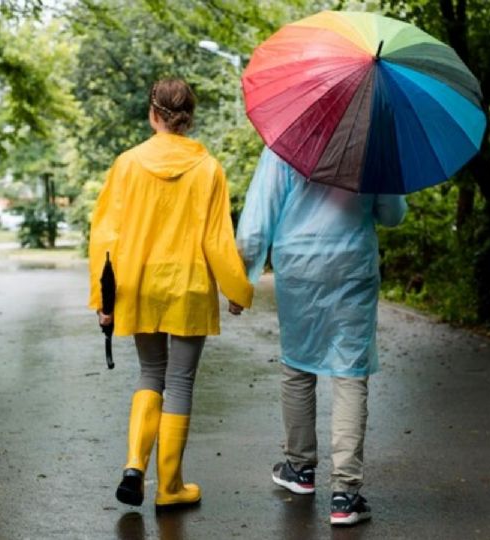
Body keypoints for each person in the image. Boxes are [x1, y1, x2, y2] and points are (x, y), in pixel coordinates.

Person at [88, 79, 254, 508]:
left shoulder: (127, 164)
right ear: (189, 118)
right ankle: (170, 488)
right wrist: (237, 290)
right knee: (179, 382)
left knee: (150, 375)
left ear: (152, 114)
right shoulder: (209, 168)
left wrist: (105, 301)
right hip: (189, 286)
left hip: (140, 284)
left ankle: (133, 467)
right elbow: (218, 240)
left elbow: (106, 237)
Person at [236, 147, 407, 526]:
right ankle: (345, 494)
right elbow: (392, 215)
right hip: (352, 265)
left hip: (298, 267)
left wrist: (242, 279)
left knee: (297, 364)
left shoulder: (285, 143)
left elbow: (255, 225)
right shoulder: (372, 142)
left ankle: (299, 468)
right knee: (350, 371)